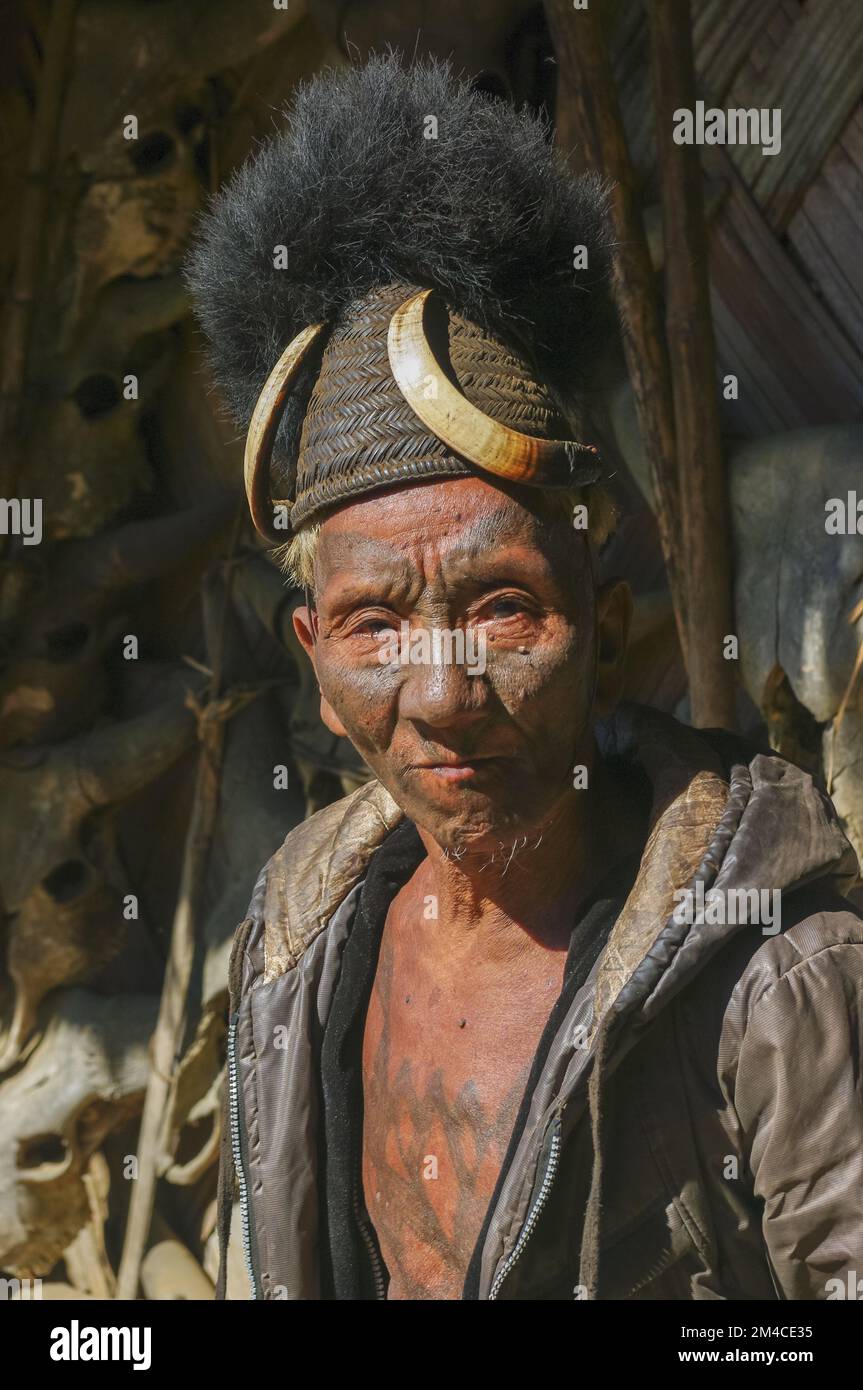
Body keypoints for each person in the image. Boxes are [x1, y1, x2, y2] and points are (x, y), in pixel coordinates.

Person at [187, 55, 863, 1301]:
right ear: (316, 666)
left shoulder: (775, 978)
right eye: (374, 623)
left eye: (504, 607)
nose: (443, 694)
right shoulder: (298, 941)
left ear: (603, 623)